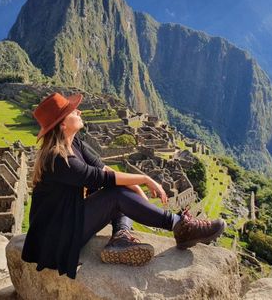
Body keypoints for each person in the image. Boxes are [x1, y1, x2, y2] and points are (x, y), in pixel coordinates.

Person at [21, 92, 226, 279]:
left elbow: (105, 170)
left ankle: (120, 237)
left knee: (121, 188)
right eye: (73, 111)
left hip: (69, 220)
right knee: (116, 194)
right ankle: (179, 226)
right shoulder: (58, 159)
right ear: (62, 124)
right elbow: (99, 178)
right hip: (56, 237)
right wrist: (144, 180)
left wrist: (134, 187)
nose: (79, 111)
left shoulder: (75, 144)